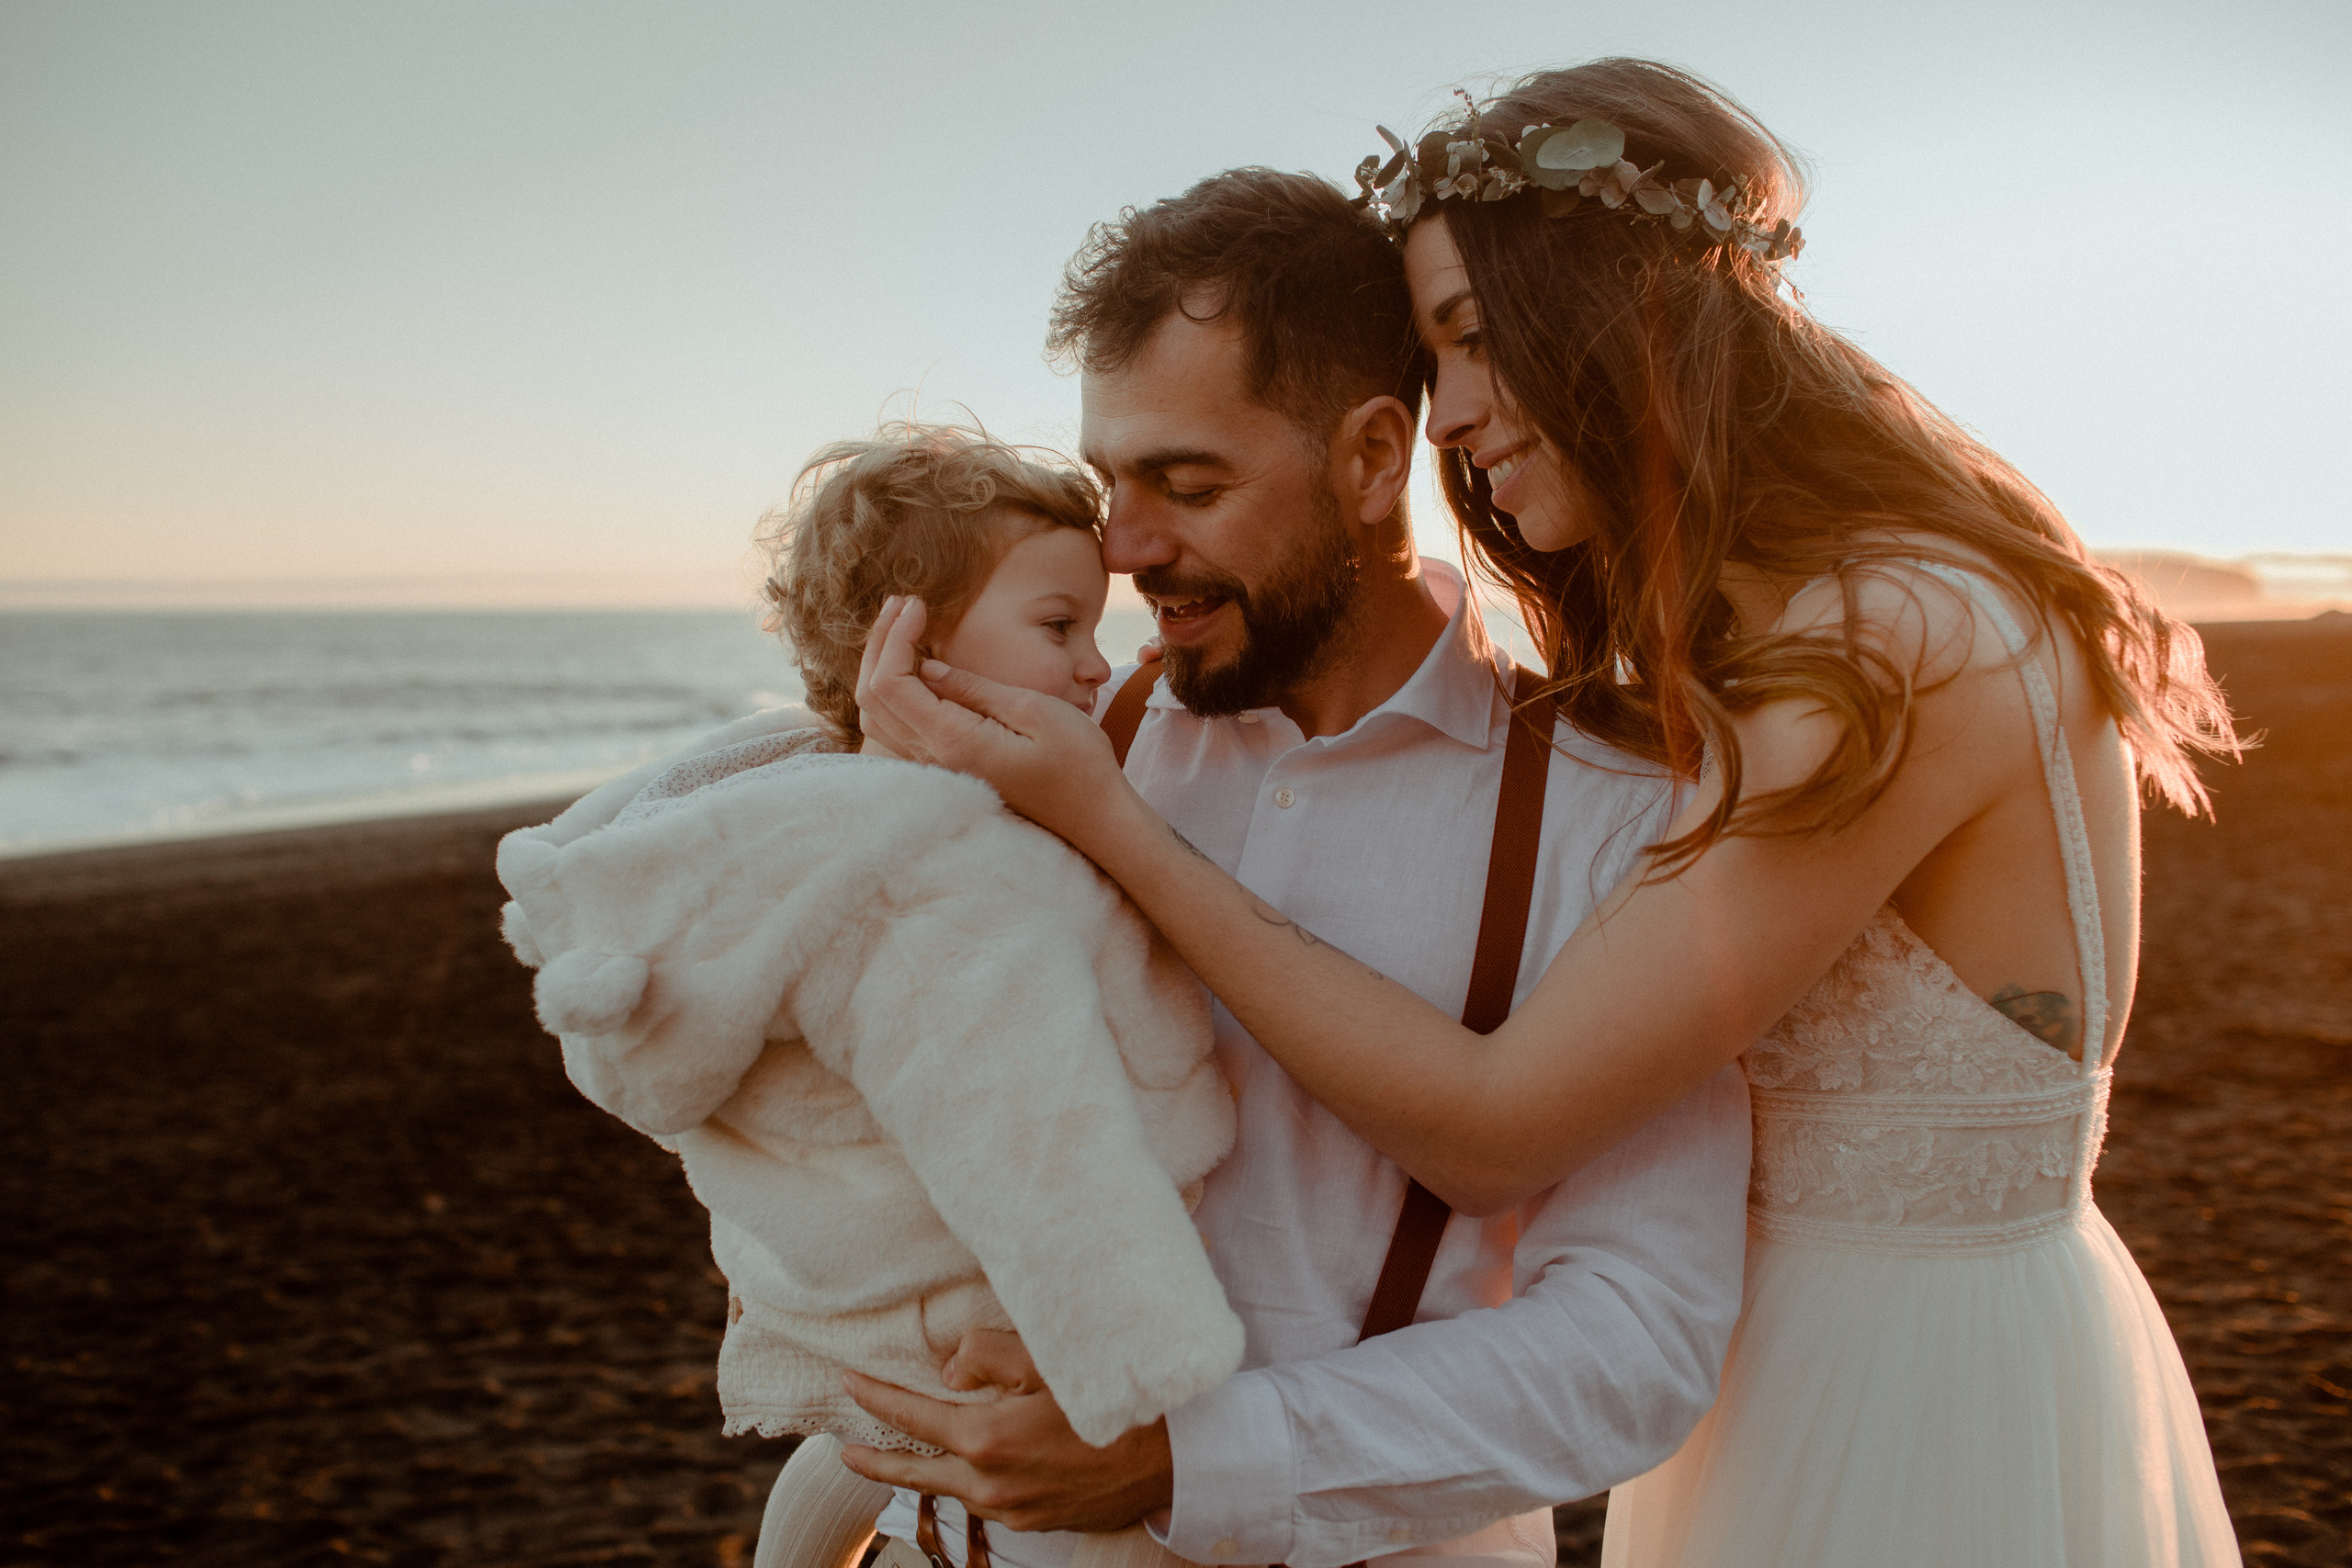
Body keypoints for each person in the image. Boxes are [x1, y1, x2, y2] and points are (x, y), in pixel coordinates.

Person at [854, 61, 2245, 1568]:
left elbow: (1511, 1135)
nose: (1452, 412)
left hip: (1914, 1392)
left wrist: (1114, 831)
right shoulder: (1730, 677)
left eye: (1472, 335)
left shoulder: (1863, 660)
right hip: (1777, 1395)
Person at [836, 167, 1752, 1568]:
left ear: (1376, 458)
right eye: (1110, 484)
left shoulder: (1612, 807)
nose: (1126, 547)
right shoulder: (1059, 734)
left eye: (1188, 485)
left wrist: (1191, 1459)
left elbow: (1636, 1336)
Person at [492, 426, 1243, 1568]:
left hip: (857, 1303)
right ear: (912, 643)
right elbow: (1030, 1134)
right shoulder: (941, 874)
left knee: (870, 1449)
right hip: (994, 1312)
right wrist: (1148, 1378)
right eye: (1058, 627)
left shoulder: (803, 812)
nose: (1100, 666)